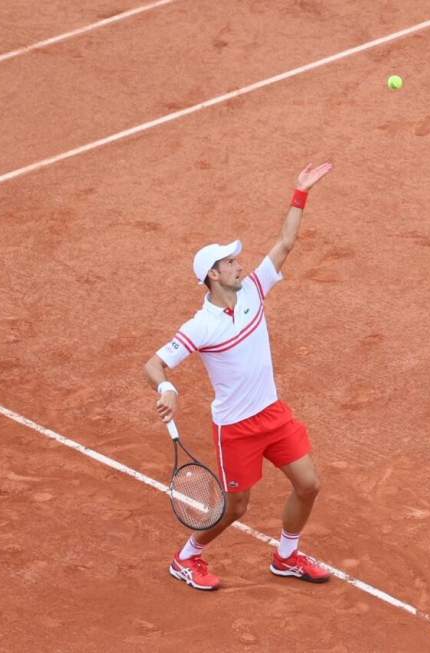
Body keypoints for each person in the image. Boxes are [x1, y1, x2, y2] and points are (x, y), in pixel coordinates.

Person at [143, 162, 334, 591]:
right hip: (237, 429)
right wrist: (168, 387)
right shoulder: (201, 326)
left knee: (309, 485)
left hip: (273, 414)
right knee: (235, 508)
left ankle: (286, 556)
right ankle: (187, 557)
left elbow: (286, 242)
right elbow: (153, 365)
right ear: (213, 274)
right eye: (229, 262)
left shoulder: (254, 290)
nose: (238, 264)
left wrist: (299, 192)